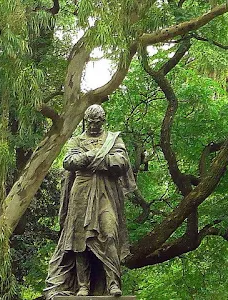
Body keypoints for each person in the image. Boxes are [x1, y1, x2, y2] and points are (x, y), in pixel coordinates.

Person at [44, 104, 136, 298]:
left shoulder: (113, 139)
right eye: (90, 122)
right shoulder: (76, 140)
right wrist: (93, 156)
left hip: (105, 192)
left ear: (104, 121)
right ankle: (83, 285)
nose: (93, 126)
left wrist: (91, 161)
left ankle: (113, 283)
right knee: (80, 241)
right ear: (86, 121)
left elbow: (121, 162)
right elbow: (69, 162)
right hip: (81, 193)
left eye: (97, 122)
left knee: (109, 232)